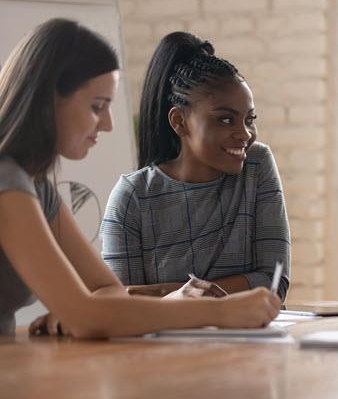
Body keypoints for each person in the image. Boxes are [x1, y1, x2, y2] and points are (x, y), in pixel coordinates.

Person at [0, 18, 280, 338]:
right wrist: (219, 310)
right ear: (48, 100)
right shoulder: (7, 181)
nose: (107, 124)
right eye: (97, 106)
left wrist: (93, 308)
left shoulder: (37, 188)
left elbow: (107, 289)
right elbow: (84, 316)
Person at [99, 32, 290, 300]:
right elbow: (120, 304)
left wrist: (168, 293)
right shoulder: (132, 196)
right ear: (179, 121)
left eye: (249, 119)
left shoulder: (256, 166)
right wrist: (192, 296)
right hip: (160, 343)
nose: (244, 134)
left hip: (251, 340)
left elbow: (274, 284)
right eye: (225, 120)